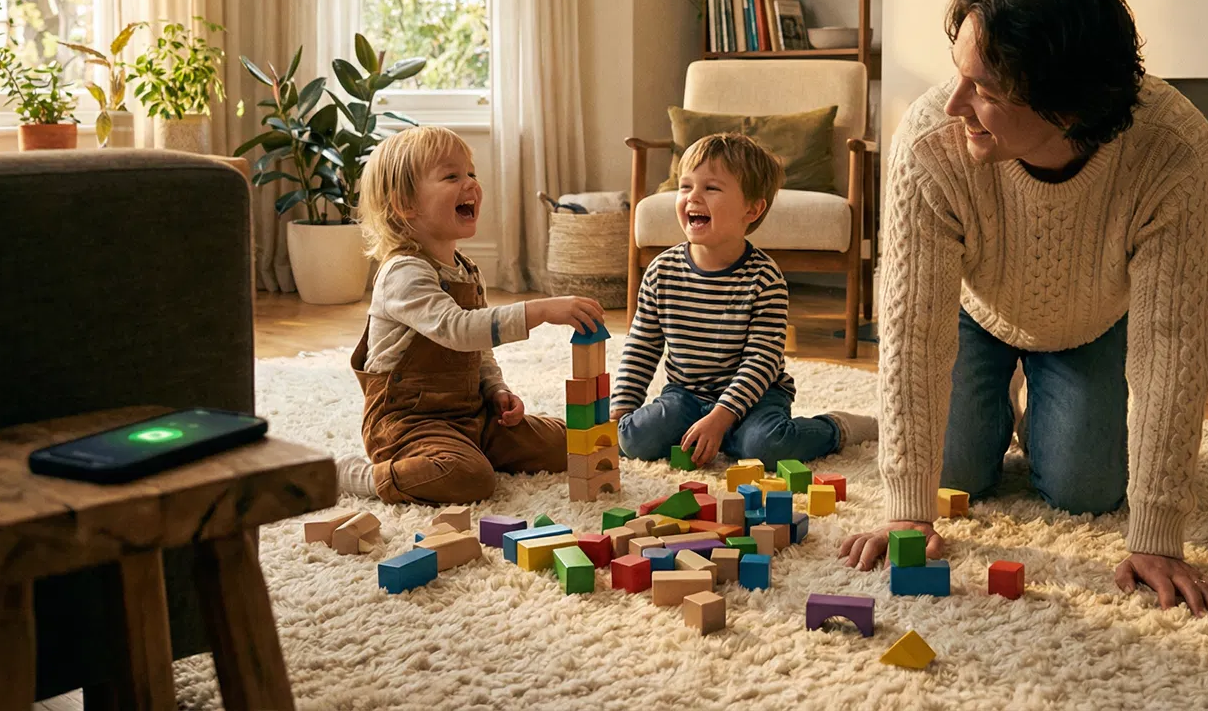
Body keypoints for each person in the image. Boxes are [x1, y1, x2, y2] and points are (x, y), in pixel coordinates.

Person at [837, 0, 1208, 616]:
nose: (955, 103)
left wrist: (1159, 531)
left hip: (1095, 319)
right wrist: (908, 511)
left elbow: (1173, 345)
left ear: (1066, 104)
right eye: (957, 73)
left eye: (983, 88)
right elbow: (911, 332)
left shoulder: (1173, 146)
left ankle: (1043, 395)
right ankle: (1001, 397)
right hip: (975, 314)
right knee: (954, 477)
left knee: (1089, 490)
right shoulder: (932, 141)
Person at [336, 125, 605, 502]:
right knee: (470, 478)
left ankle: (473, 448)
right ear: (406, 204)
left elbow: (478, 349)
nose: (471, 184)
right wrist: (540, 310)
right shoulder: (403, 272)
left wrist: (496, 390)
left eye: (471, 174)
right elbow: (457, 330)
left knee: (569, 442)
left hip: (471, 415)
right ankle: (365, 477)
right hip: (409, 423)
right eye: (451, 176)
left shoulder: (466, 269)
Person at [611, 132, 877, 464]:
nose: (693, 196)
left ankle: (836, 428)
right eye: (685, 186)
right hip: (686, 396)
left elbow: (761, 362)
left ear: (752, 209)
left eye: (710, 188)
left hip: (757, 397)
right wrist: (621, 410)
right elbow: (642, 346)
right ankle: (717, 435)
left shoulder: (765, 279)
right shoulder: (661, 271)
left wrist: (722, 417)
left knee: (765, 448)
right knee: (633, 440)